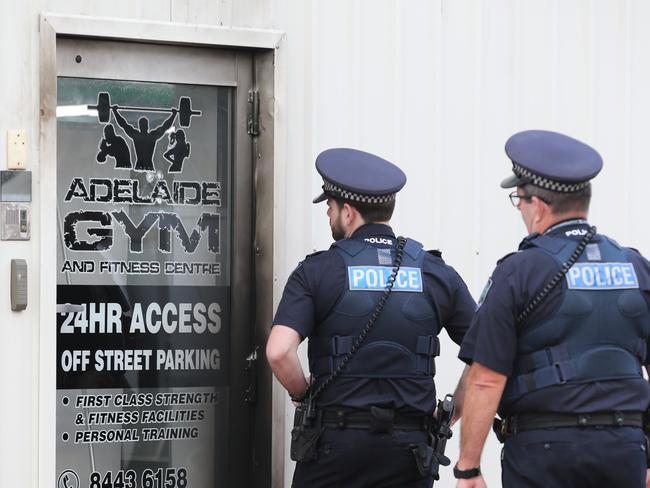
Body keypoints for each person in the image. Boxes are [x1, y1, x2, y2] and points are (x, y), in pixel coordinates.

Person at [266, 148, 477, 488]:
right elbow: (486, 355)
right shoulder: (436, 272)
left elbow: (278, 352)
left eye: (330, 207)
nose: (328, 215)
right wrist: (449, 416)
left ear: (348, 212)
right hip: (410, 452)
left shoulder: (316, 272)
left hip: (333, 446)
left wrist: (303, 394)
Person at [455, 130, 650, 488]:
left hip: (545, 454)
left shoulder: (518, 271)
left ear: (538, 205)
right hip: (624, 449)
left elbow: (485, 378)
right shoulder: (636, 267)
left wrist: (468, 468)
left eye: (519, 200)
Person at [111, 105, 177, 171]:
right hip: (147, 166)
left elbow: (124, 125)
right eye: (143, 125)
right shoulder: (151, 136)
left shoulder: (137, 136)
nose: (144, 126)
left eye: (144, 124)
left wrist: (115, 111)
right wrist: (173, 115)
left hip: (142, 165)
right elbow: (165, 127)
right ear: (147, 127)